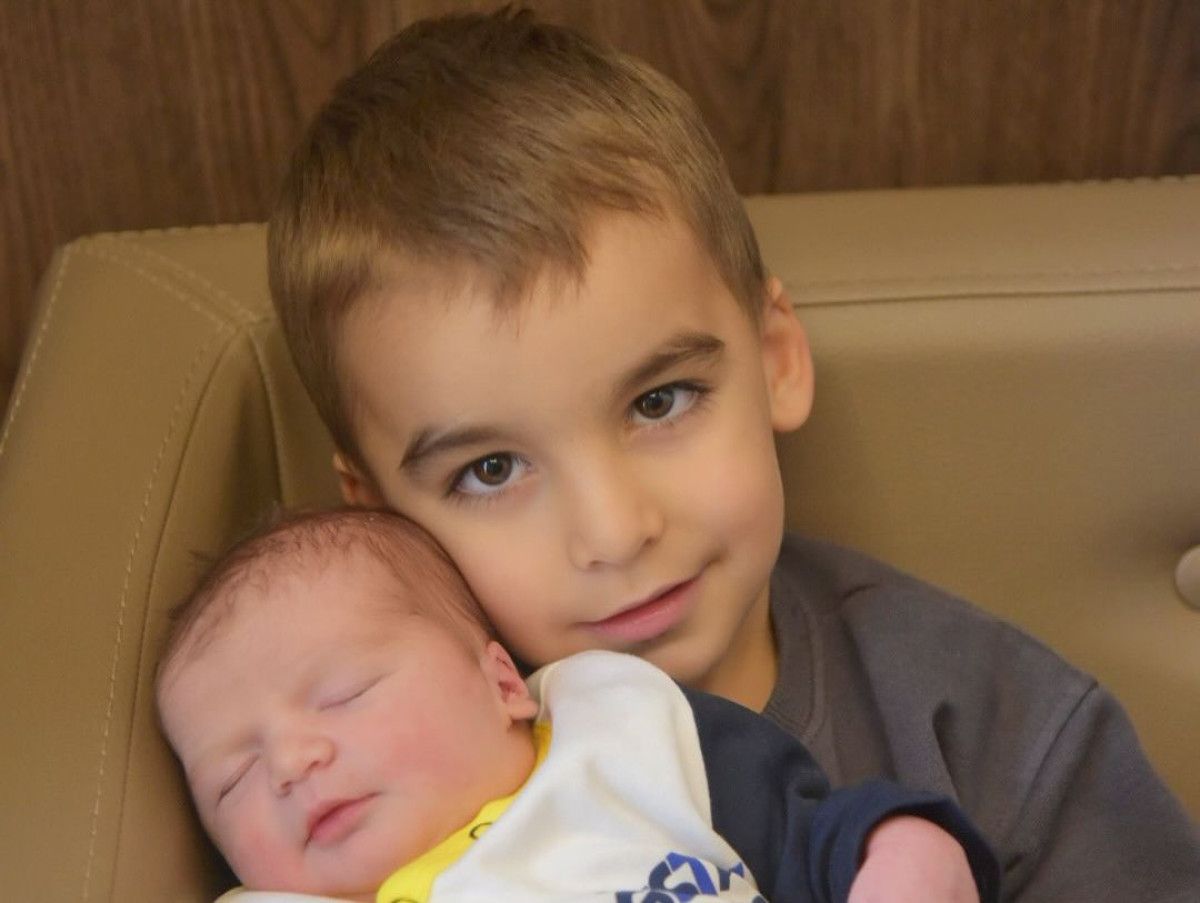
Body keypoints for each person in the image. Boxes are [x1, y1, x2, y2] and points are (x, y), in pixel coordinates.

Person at [266, 7, 1200, 900]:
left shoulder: (994, 728)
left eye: (659, 401)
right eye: (492, 470)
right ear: (378, 513)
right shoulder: (355, 791)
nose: (616, 531)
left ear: (776, 358)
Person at [155, 507, 999, 903]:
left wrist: (900, 851)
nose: (291, 763)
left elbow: (806, 829)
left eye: (343, 694)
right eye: (234, 778)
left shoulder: (624, 740)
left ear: (501, 683)